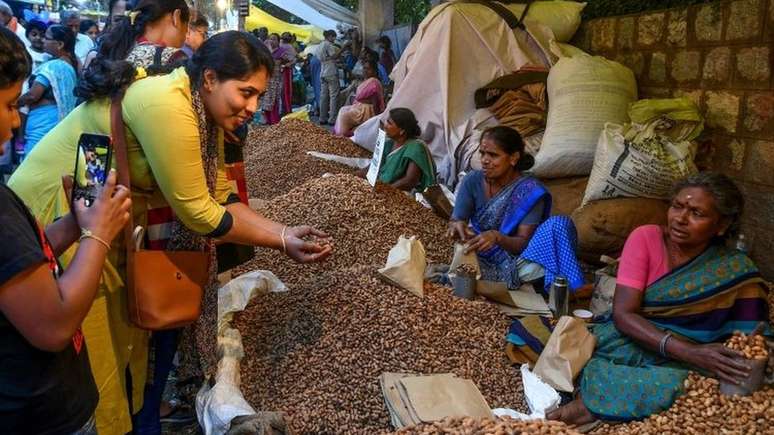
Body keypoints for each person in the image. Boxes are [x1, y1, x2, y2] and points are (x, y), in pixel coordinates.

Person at [10, 31, 333, 435]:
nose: (252, 107)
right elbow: (198, 212)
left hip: (97, 218)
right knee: (88, 347)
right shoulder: (168, 104)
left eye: (258, 97)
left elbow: (219, 197)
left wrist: (286, 234)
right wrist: (280, 240)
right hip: (58, 218)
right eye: (246, 93)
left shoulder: (201, 111)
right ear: (211, 79)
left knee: (122, 346)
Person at [547, 172, 772, 427]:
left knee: (701, 384)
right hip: (637, 340)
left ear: (721, 226)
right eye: (677, 206)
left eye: (697, 213)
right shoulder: (646, 238)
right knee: (606, 364)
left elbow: (754, 337)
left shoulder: (734, 269)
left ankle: (598, 403)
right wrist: (690, 352)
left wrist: (740, 356)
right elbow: (624, 315)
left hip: (700, 357)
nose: (680, 219)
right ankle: (593, 402)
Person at [0, 26, 132, 435]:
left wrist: (75, 224)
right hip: (41, 417)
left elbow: (23, 264)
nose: (14, 123)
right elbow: (54, 325)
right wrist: (98, 234)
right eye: (7, 105)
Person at [448, 126, 582, 291]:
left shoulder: (529, 190)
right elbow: (457, 218)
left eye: (493, 155)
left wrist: (497, 237)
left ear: (513, 158)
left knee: (560, 224)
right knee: (458, 263)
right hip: (479, 254)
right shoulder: (472, 181)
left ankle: (568, 287)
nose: (484, 160)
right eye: (482, 153)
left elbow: (523, 244)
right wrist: (457, 226)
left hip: (518, 261)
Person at [18, 24, 78, 158]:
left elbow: (33, 96)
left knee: (33, 162)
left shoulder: (54, 66)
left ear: (60, 44)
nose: (43, 40)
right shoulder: (72, 64)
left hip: (42, 124)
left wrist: (14, 103)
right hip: (55, 123)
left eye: (47, 38)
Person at [85, 0, 188, 72]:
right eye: (186, 27)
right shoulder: (173, 58)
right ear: (176, 17)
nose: (185, 38)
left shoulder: (116, 49)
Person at [361, 108, 435, 192]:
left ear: (402, 131)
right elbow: (374, 166)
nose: (385, 125)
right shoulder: (388, 144)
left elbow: (410, 180)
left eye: (390, 123)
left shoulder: (416, 147)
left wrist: (386, 190)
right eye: (386, 121)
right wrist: (354, 175)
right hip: (383, 187)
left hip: (402, 193)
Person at [334, 59, 384, 137]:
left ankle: (341, 137)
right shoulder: (367, 80)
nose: (365, 71)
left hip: (366, 111)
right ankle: (341, 135)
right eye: (364, 68)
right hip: (360, 107)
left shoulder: (374, 83)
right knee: (342, 109)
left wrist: (376, 120)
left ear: (374, 71)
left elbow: (376, 104)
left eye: (368, 69)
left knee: (344, 116)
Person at [261, 33, 295, 125]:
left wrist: (284, 66)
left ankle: (274, 120)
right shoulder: (266, 50)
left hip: (276, 79)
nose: (272, 41)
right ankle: (267, 119)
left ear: (278, 41)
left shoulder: (281, 51)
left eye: (274, 39)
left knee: (274, 99)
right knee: (266, 99)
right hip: (266, 78)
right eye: (271, 39)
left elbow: (292, 60)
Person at [318, 29, 340, 126]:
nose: (334, 39)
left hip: (323, 72)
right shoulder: (329, 45)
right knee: (333, 96)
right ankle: (332, 119)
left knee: (323, 96)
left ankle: (322, 118)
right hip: (331, 72)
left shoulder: (320, 45)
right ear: (330, 36)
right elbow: (334, 56)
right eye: (334, 37)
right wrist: (343, 48)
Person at [279, 32, 298, 116]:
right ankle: (286, 109)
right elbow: (294, 59)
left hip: (284, 70)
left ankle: (286, 109)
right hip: (285, 70)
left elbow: (293, 59)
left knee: (284, 90)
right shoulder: (289, 46)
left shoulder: (284, 46)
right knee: (285, 90)